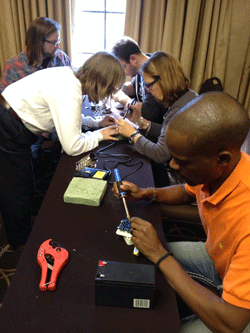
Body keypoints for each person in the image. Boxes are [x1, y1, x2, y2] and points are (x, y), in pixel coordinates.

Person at [112, 92, 250, 332]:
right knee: (140, 255)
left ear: (221, 159)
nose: (173, 166)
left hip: (238, 317)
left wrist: (160, 255)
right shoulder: (226, 168)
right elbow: (188, 191)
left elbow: (231, 324)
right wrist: (148, 193)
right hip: (220, 261)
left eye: (183, 162)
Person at [0, 51, 125, 249]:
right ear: (101, 83)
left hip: (11, 118)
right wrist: (100, 135)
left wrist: (96, 123)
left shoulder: (70, 76)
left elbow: (67, 117)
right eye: (109, 89)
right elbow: (72, 146)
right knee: (18, 187)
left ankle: (24, 222)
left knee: (24, 182)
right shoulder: (70, 91)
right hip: (9, 125)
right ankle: (20, 241)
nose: (109, 95)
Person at [116, 51, 198, 186]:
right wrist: (143, 124)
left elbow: (160, 154)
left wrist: (132, 135)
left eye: (149, 85)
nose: (147, 90)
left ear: (164, 80)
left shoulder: (180, 110)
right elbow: (174, 134)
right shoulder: (188, 96)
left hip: (181, 181)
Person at [0, 17, 71, 93]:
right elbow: (4, 101)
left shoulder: (62, 58)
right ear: (38, 42)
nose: (58, 47)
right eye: (54, 43)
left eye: (58, 41)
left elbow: (70, 86)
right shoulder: (13, 66)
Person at [112, 37, 166, 124]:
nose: (124, 73)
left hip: (156, 128)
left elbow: (149, 113)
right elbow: (134, 87)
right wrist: (119, 89)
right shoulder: (142, 65)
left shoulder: (154, 72)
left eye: (123, 67)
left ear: (133, 59)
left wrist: (121, 98)